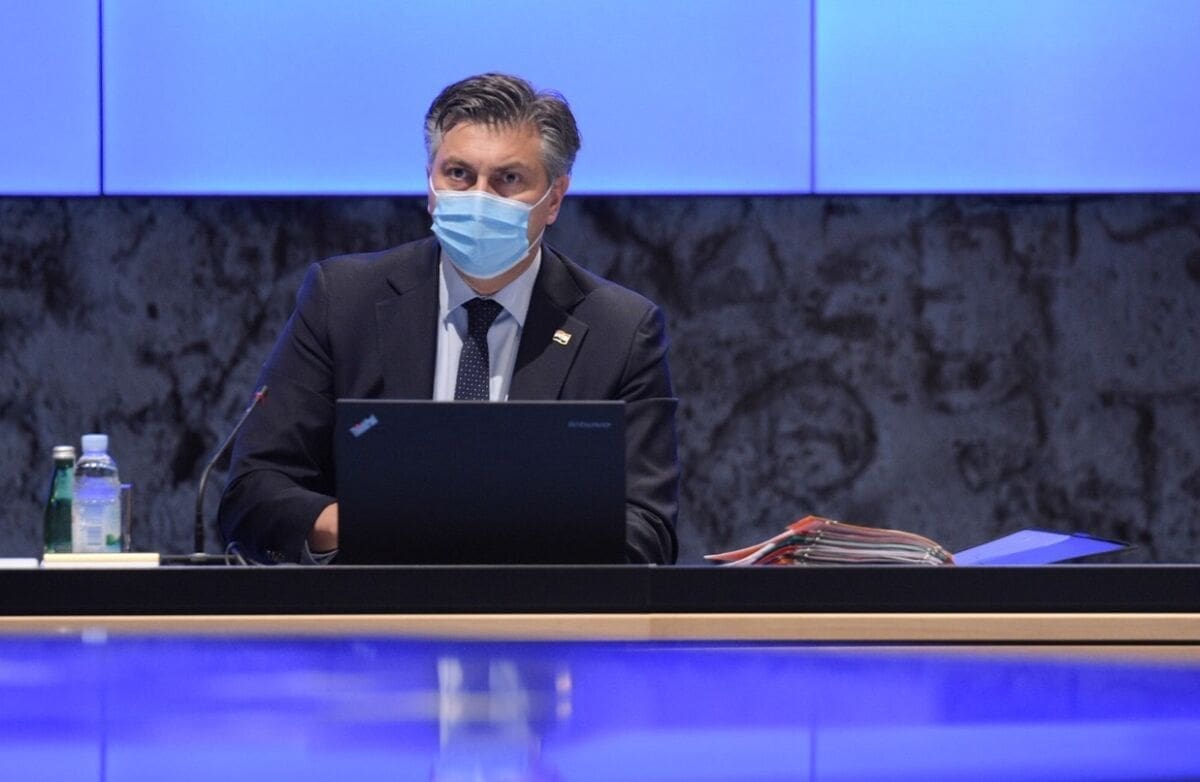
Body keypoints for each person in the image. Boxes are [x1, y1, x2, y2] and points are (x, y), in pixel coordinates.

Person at [218, 73, 679, 564]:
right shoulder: (344, 301)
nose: (478, 197)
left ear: (554, 199)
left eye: (508, 179)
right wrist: (371, 525)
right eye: (458, 173)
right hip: (371, 604)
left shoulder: (620, 330)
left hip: (539, 609)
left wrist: (487, 533)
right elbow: (253, 493)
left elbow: (648, 530)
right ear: (430, 183)